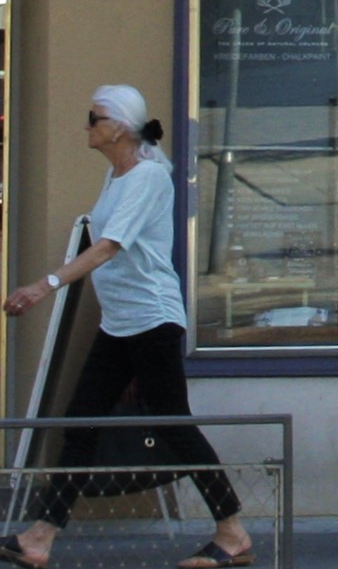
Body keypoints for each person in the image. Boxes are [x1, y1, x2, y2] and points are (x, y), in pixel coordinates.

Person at [2, 85, 253, 569]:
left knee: (173, 424)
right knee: (81, 424)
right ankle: (40, 537)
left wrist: (43, 285)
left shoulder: (147, 178)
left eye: (93, 117)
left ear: (117, 126)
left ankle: (232, 530)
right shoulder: (116, 176)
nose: (87, 125)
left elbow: (109, 247)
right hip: (120, 322)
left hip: (151, 319)